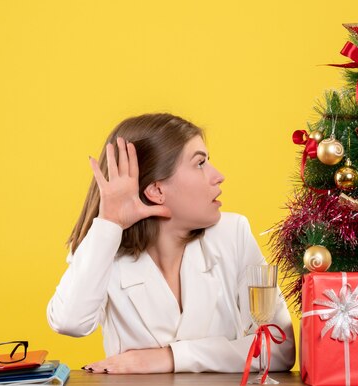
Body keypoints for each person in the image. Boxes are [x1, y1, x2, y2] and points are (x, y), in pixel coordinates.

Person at [47, 113, 295, 374]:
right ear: (156, 190)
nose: (218, 176)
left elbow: (278, 348)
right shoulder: (103, 248)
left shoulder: (233, 234)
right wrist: (110, 223)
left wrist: (169, 358)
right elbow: (69, 322)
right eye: (200, 163)